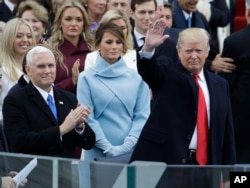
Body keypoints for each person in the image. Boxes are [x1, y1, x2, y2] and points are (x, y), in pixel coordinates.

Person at [130, 18, 236, 164]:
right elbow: (149, 70)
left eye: (198, 51)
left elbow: (226, 131)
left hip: (208, 164)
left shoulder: (220, 84)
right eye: (188, 51)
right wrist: (148, 48)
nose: (194, 56)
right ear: (179, 51)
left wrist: (231, 174)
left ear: (207, 52)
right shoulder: (167, 71)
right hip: (169, 161)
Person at [77, 22, 150, 161]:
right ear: (98, 44)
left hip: (131, 152)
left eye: (118, 42)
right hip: (97, 152)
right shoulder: (86, 77)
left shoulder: (137, 77)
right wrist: (106, 147)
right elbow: (88, 118)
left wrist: (127, 146)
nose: (114, 47)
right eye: (109, 42)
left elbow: (142, 116)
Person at [219, 0, 250, 164]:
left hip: (241, 120)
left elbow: (225, 84)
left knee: (240, 171)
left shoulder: (234, 42)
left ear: (247, 14)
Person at [48, 0, 94, 95]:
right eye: (68, 19)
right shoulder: (49, 51)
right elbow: (44, 89)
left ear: (83, 24)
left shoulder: (94, 50)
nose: (74, 24)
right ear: (60, 22)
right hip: (60, 106)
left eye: (78, 20)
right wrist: (72, 81)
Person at [0, 18, 36, 121]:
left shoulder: (38, 67)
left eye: (29, 36)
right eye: (19, 36)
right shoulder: (1, 68)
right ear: (8, 38)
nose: (25, 40)